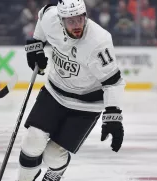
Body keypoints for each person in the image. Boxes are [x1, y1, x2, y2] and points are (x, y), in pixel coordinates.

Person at [19, 0, 125, 180]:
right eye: (70, 21)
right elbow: (43, 15)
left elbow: (113, 82)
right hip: (54, 92)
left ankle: (57, 171)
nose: (76, 25)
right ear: (60, 20)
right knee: (32, 141)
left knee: (53, 155)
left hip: (86, 105)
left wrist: (113, 117)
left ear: (85, 16)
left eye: (79, 19)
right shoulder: (51, 18)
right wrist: (35, 44)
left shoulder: (99, 41)